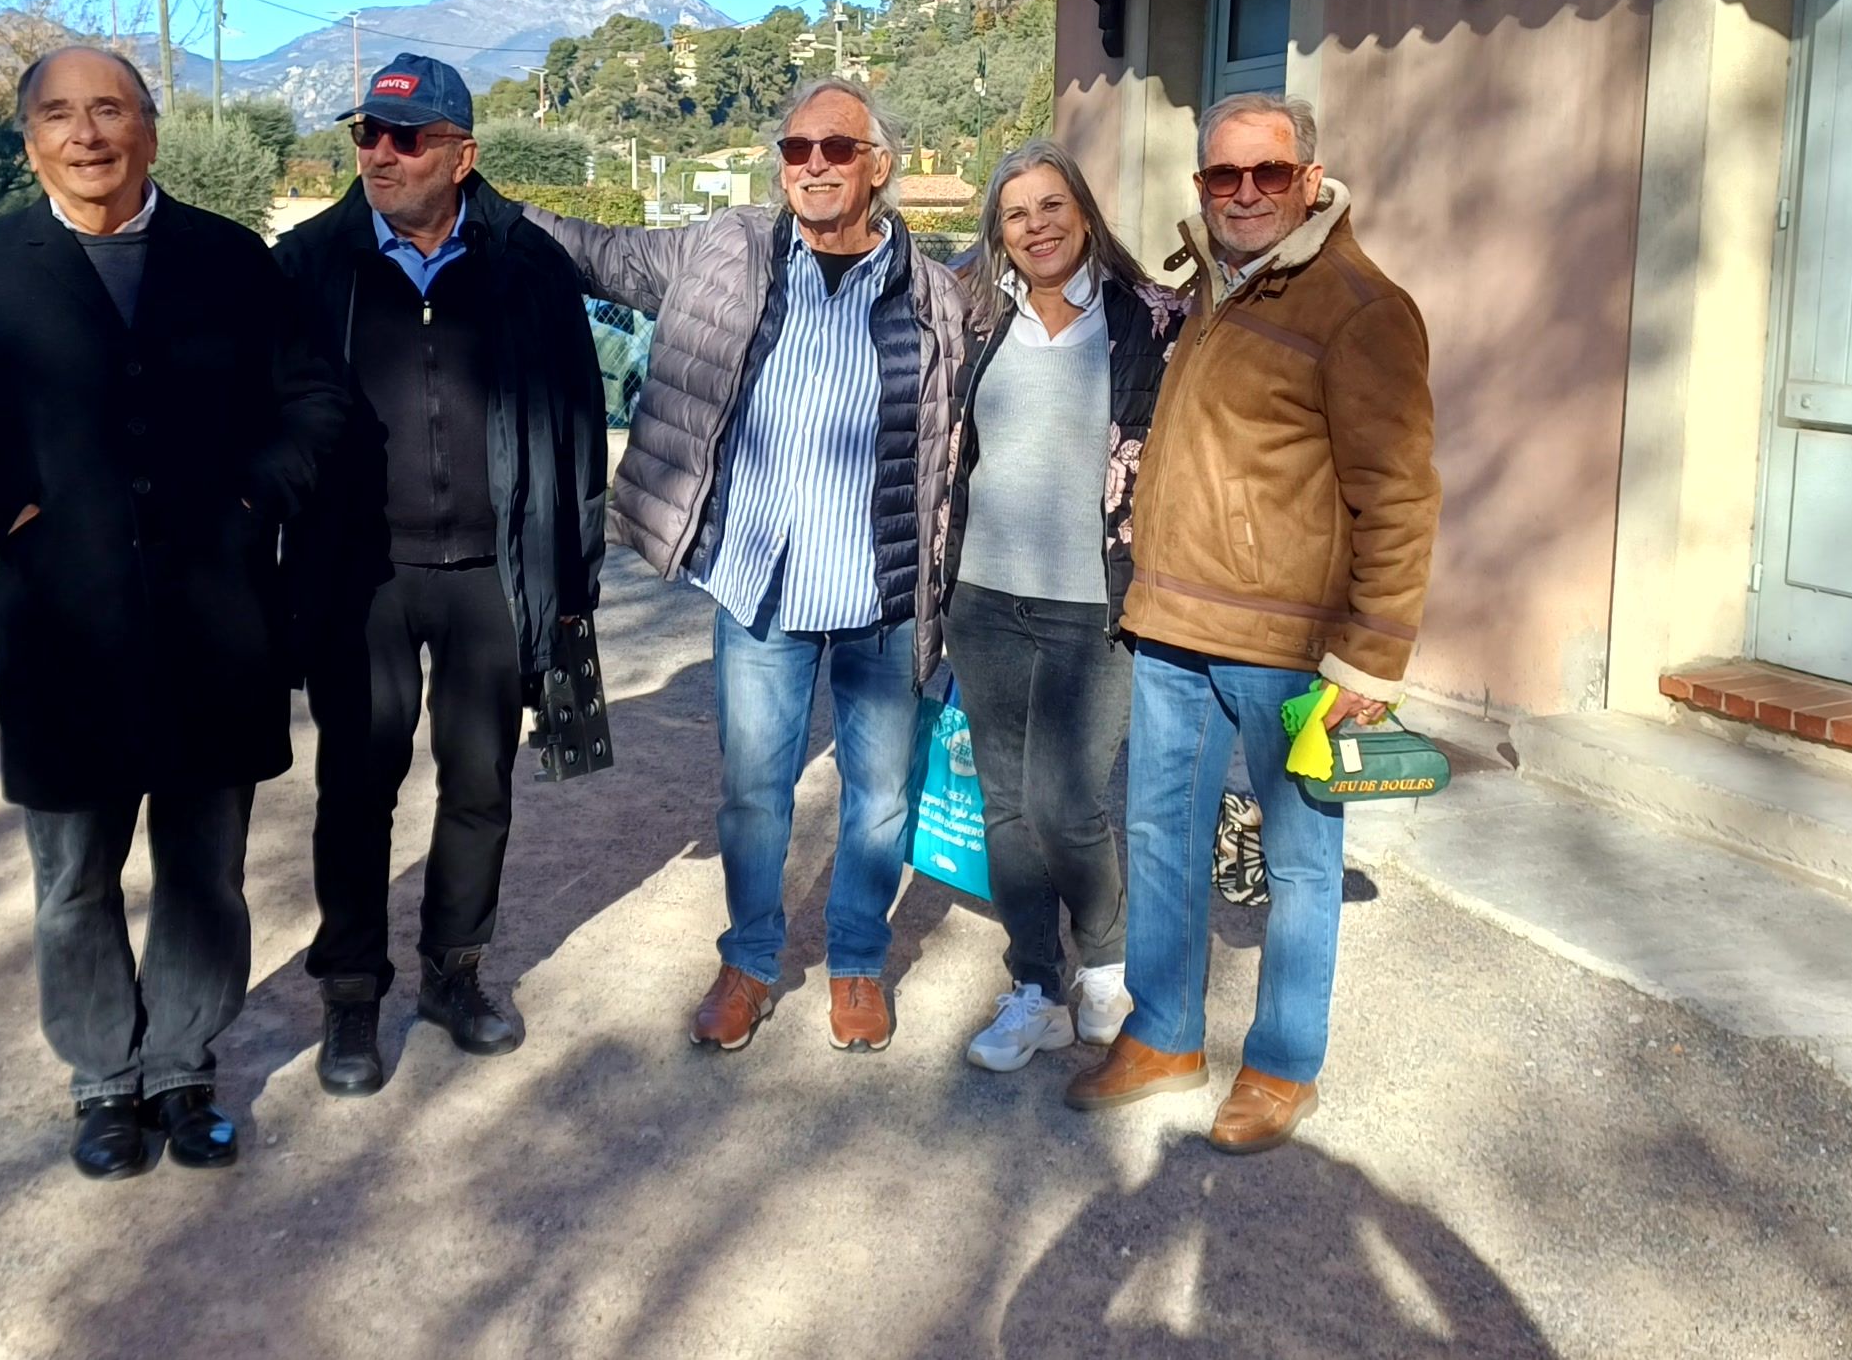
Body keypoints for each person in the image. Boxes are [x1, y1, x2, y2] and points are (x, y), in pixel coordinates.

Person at [0, 46, 348, 1180]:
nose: (88, 134)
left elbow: (315, 399)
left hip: (215, 626)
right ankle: (100, 1079)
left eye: (111, 110)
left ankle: (182, 1068)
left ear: (152, 130)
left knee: (202, 872)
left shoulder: (229, 260)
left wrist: (249, 494)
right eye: (60, 114)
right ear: (28, 138)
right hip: (60, 635)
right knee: (74, 878)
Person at [522, 77, 973, 1054]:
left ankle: (856, 961)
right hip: (760, 588)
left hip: (883, 594)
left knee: (881, 796)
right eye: (796, 148)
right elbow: (599, 254)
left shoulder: (936, 294)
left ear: (879, 169)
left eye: (837, 149)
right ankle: (751, 960)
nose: (812, 164)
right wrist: (481, 204)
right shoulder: (724, 250)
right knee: (754, 791)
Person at [1062, 93, 1439, 1156]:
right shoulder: (1211, 287)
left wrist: (1375, 651)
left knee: (1302, 862)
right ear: (1201, 187)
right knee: (1162, 836)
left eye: (1268, 174)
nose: (1244, 194)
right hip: (1175, 622)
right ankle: (1167, 1033)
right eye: (1222, 176)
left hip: (1286, 644)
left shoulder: (1362, 309)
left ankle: (1281, 1064)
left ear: (1310, 180)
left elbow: (1400, 493)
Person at [273, 55, 609, 1097]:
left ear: (462, 156)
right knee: (356, 790)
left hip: (491, 576)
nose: (379, 152)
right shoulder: (309, 265)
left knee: (481, 788)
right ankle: (351, 1000)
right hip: (359, 577)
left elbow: (578, 427)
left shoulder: (530, 266)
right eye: (367, 134)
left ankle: (455, 975)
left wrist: (570, 581)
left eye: (404, 138)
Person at [941, 139, 1190, 1073]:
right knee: (1005, 800)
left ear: (1083, 213)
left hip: (1095, 605)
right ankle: (1035, 986)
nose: (1037, 226)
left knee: (1067, 798)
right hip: (985, 597)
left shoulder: (1148, 322)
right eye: (1016, 213)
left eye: (1053, 206)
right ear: (997, 232)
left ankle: (1108, 963)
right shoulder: (973, 316)